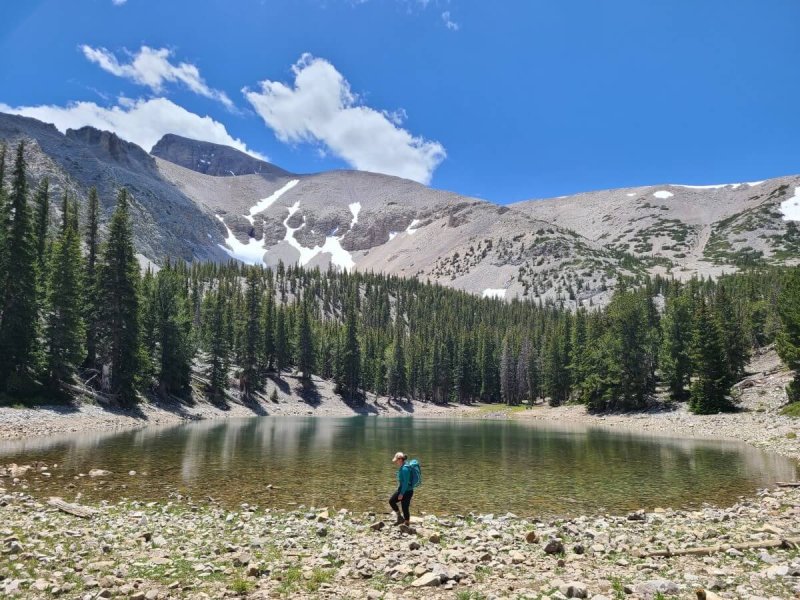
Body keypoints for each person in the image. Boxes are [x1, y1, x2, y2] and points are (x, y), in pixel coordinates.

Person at [389, 451, 413, 526]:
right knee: (404, 507)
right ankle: (403, 520)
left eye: (396, 460)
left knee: (392, 501)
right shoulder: (405, 466)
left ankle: (405, 522)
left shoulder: (404, 469)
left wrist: (401, 493)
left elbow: (405, 483)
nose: (396, 462)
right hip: (408, 490)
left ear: (400, 459)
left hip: (406, 491)